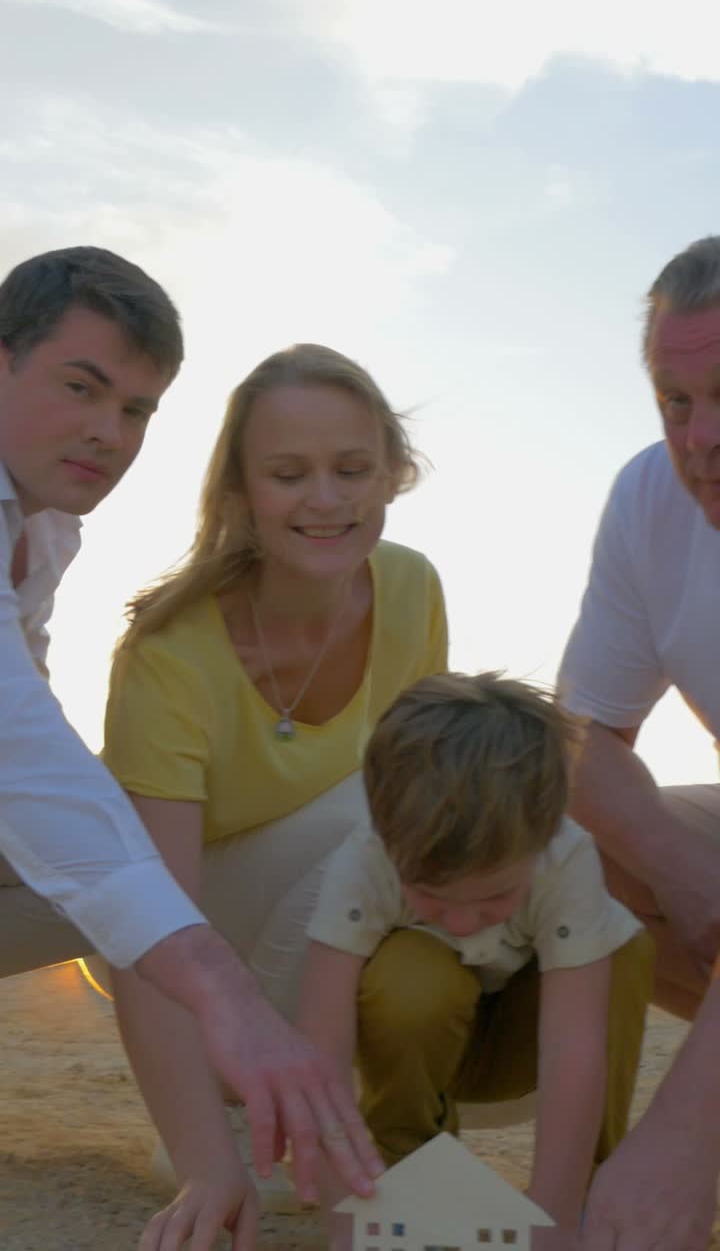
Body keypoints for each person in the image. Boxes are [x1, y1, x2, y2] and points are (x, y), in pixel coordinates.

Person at [0, 247, 383, 1249]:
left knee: (131, 855)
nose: (107, 433)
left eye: (136, 409)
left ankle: (270, 1143)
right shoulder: (170, 642)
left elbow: (31, 737)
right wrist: (228, 998)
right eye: (81, 387)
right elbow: (26, 757)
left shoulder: (43, 530)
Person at [99, 340, 448, 1250]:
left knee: (425, 814)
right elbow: (145, 913)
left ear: (393, 474)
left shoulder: (411, 587)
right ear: (241, 493)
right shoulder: (169, 653)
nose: (326, 500)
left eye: (353, 470)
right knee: (375, 815)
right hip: (184, 938)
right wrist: (206, 1163)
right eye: (289, 475)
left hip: (332, 910)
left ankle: (355, 1151)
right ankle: (253, 1138)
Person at [296, 672, 655, 1238]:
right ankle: (399, 1176)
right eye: (430, 895)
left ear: (542, 837)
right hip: (422, 1042)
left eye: (495, 896)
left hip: (526, 1042)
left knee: (624, 950)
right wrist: (345, 1209)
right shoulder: (363, 860)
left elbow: (573, 1049)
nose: (462, 922)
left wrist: (552, 1218)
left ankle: (590, 1194)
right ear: (390, 841)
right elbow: (323, 1047)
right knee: (411, 971)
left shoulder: (565, 857)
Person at [558, 235, 720, 1249]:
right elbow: (581, 738)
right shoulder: (648, 498)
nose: (700, 440)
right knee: (578, 855)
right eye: (676, 402)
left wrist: (681, 1138)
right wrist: (685, 868)